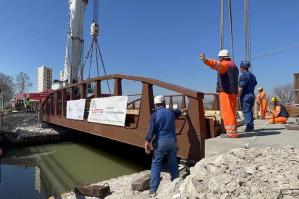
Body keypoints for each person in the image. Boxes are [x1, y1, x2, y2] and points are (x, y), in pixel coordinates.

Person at [144, 95, 187, 196]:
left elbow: (150, 131)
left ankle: (153, 190)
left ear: (156, 104)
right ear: (164, 103)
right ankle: (176, 183)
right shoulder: (171, 112)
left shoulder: (154, 115)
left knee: (156, 164)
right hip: (172, 142)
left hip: (160, 143)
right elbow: (179, 111)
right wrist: (185, 109)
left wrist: (147, 142)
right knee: (173, 163)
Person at [199, 49, 239, 138]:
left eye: (219, 58)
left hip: (226, 92)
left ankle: (231, 133)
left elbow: (216, 65)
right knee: (232, 112)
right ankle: (234, 131)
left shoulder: (225, 64)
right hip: (233, 91)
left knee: (227, 112)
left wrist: (206, 60)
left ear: (221, 57)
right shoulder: (234, 66)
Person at [238, 61, 257, 132]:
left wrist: (238, 95)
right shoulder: (253, 75)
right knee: (249, 111)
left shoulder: (243, 76)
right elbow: (255, 84)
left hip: (246, 95)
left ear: (242, 67)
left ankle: (249, 127)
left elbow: (241, 87)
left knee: (246, 111)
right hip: (252, 94)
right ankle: (251, 126)